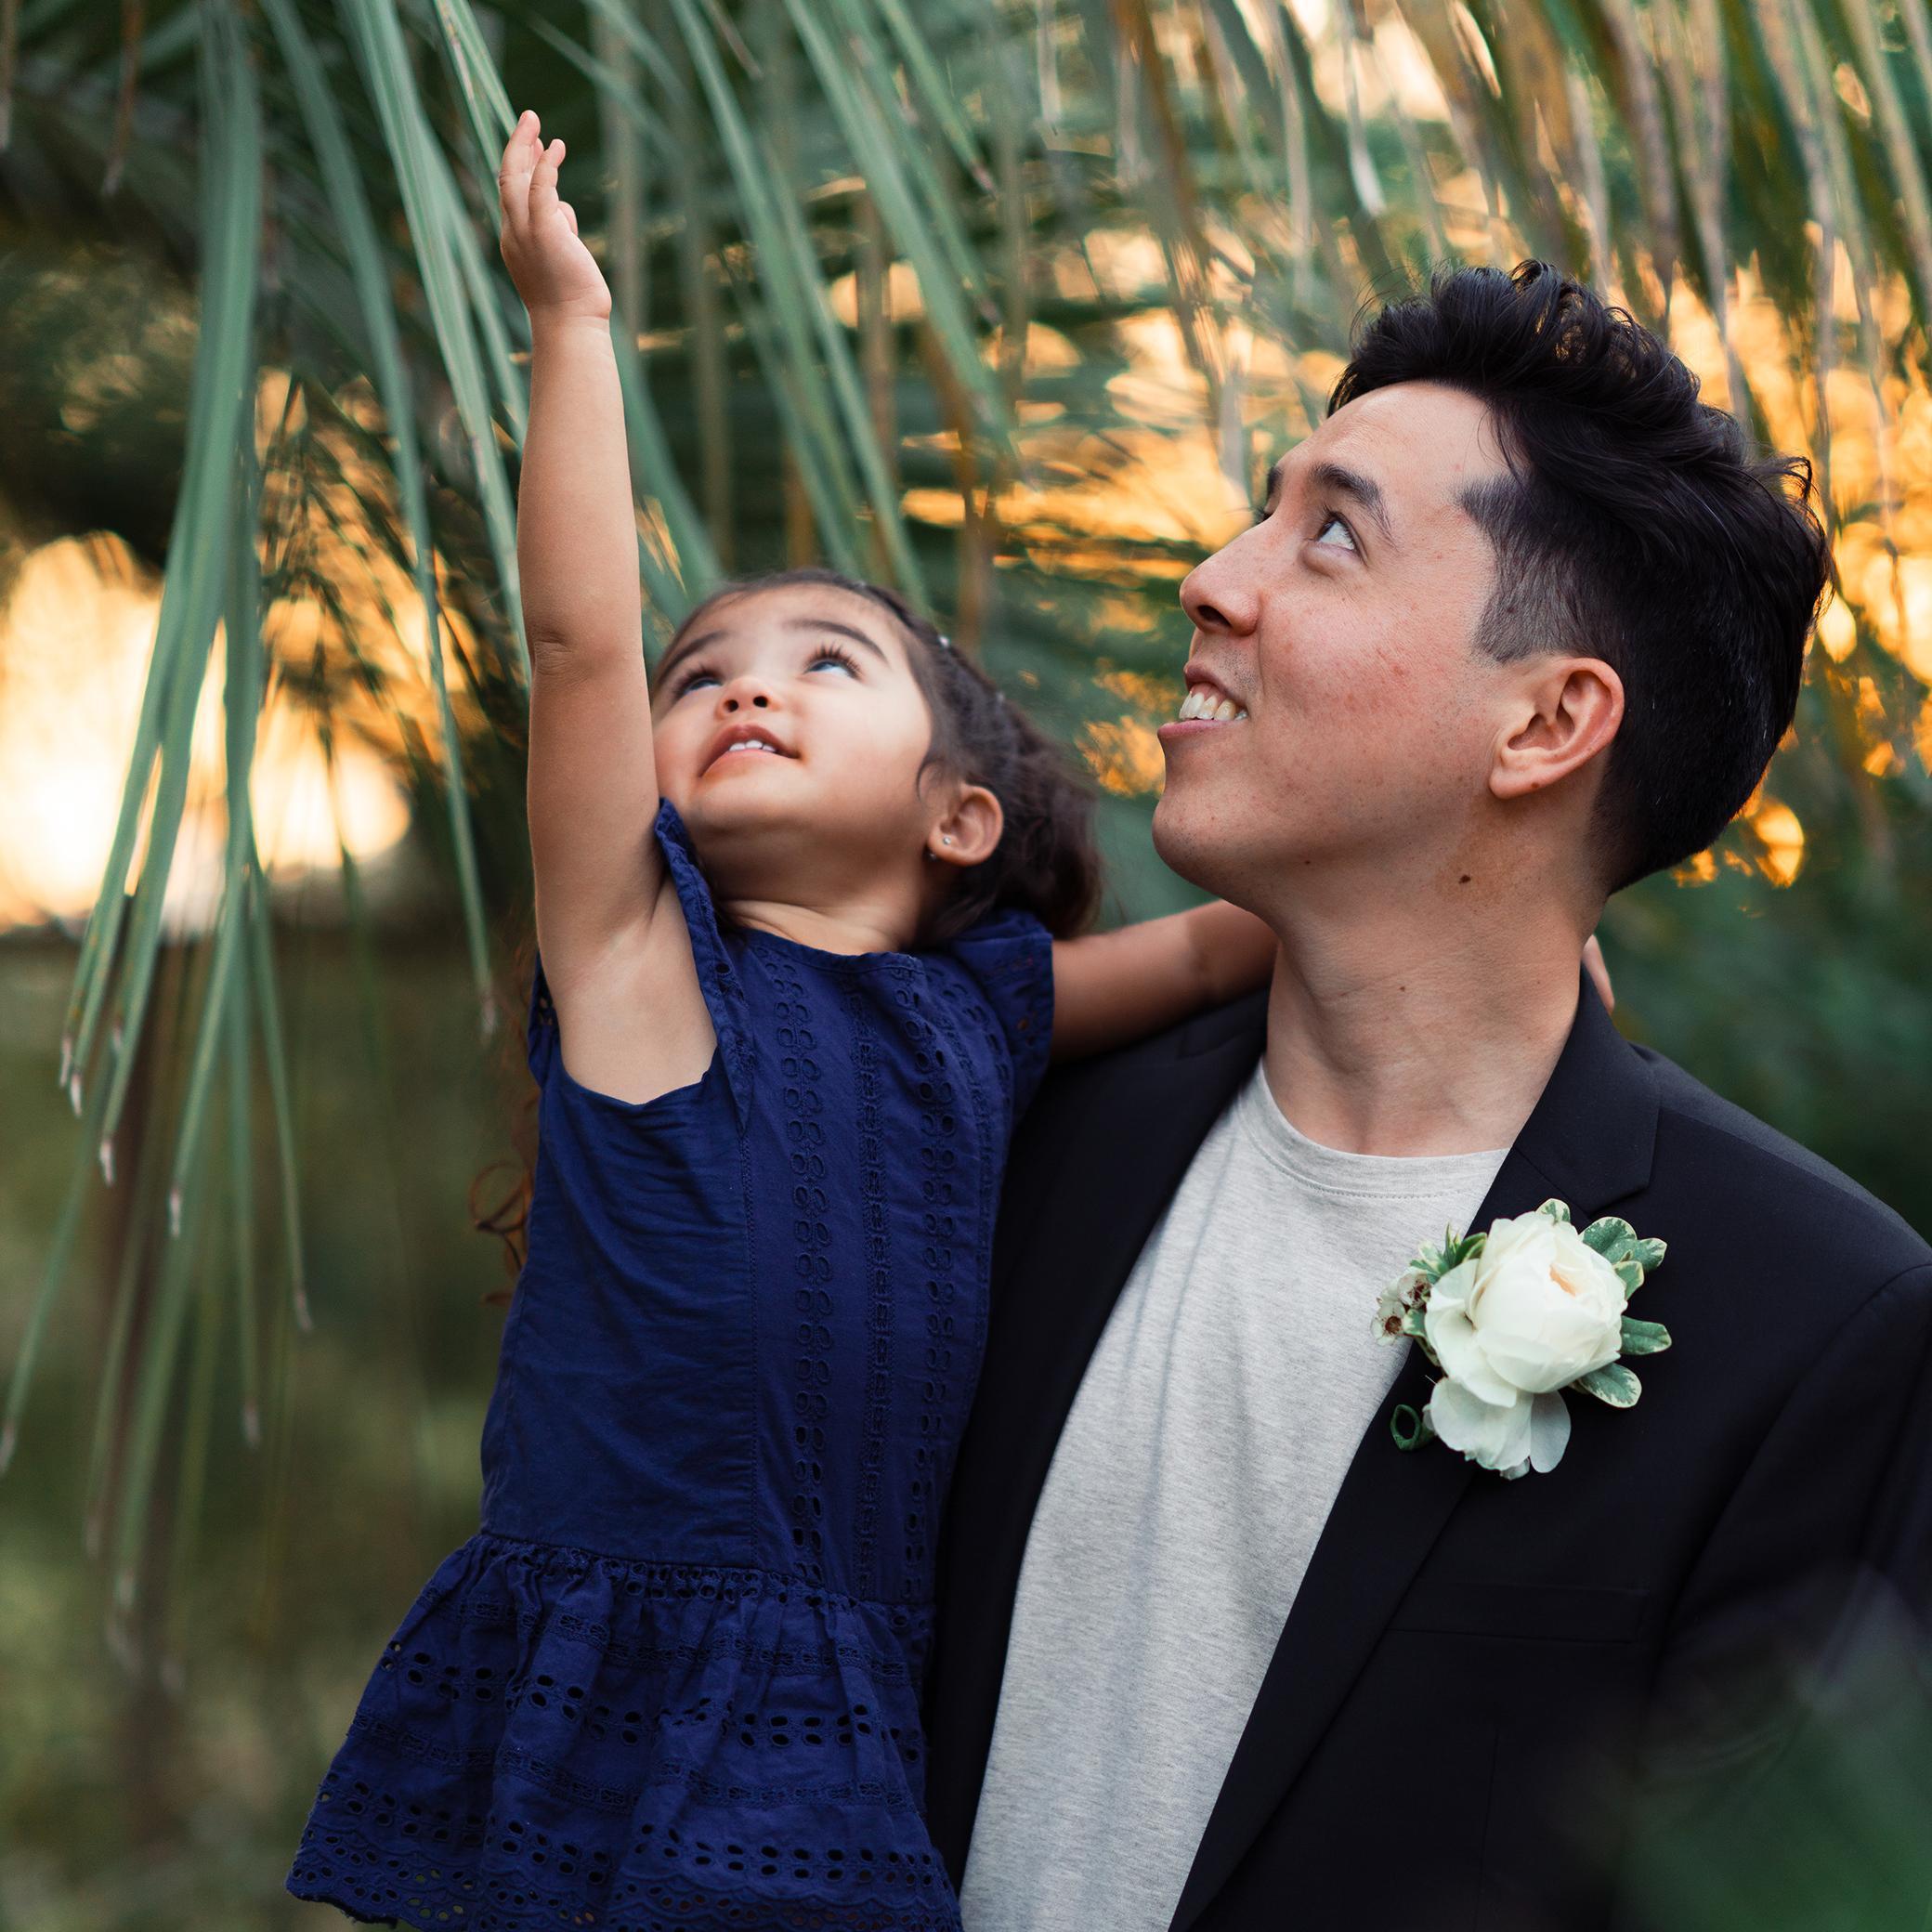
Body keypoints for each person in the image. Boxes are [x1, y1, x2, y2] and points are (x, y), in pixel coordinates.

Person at [283, 110, 1307, 1932]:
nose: (745, 689)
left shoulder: (985, 1010)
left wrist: (1522, 920)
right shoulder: (639, 967)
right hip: (624, 1671)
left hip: (859, 1688)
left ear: (957, 818)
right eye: (703, 679)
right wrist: (570, 327)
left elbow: (1233, 950)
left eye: (826, 664)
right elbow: (581, 645)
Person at [924, 261, 1932, 1932]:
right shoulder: (1014, 1133)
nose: (1210, 579)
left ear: (1547, 721)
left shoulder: (1823, 1329)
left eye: (1329, 534)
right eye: (1262, 513)